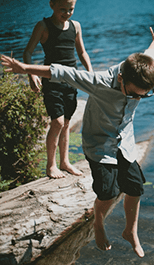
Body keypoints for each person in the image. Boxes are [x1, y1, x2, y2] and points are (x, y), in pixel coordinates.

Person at [2, 21, 154, 258]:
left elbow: (152, 53)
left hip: (125, 142)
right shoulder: (99, 82)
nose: (137, 98)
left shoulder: (143, 71)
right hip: (99, 143)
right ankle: (98, 222)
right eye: (133, 93)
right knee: (108, 192)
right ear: (121, 78)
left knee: (135, 187)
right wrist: (25, 68)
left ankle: (130, 232)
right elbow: (61, 72)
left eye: (143, 95)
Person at [23, 0, 93, 179]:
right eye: (63, 9)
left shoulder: (75, 26)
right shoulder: (43, 26)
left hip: (71, 81)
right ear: (51, 4)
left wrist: (90, 73)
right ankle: (51, 165)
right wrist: (32, 74)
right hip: (52, 80)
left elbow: (82, 52)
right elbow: (28, 52)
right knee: (58, 122)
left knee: (67, 123)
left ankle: (65, 162)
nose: (68, 13)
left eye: (71, 9)